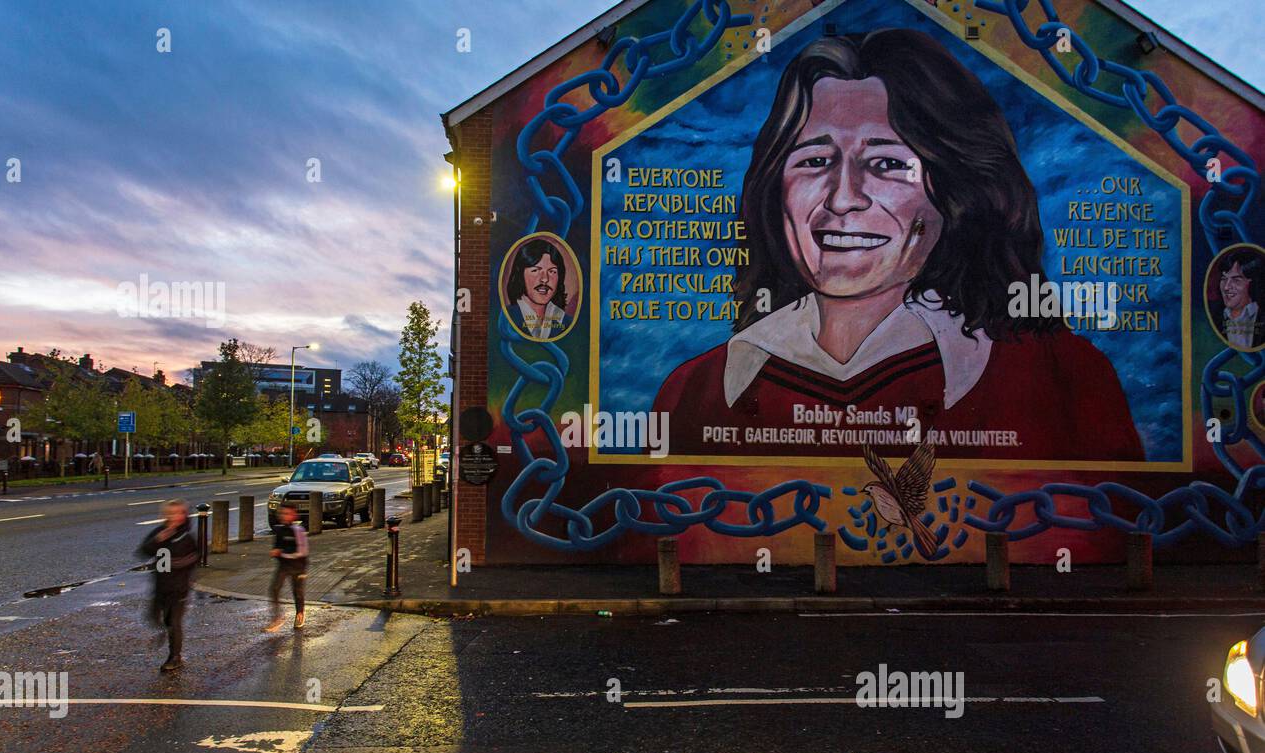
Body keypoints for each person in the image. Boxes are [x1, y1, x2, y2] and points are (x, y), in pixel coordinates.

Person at [652, 29, 1143, 462]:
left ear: (953, 189)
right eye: (814, 161)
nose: (843, 199)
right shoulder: (695, 392)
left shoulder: (1063, 381)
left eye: (886, 164)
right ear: (774, 189)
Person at [136, 499, 198, 672]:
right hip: (161, 586)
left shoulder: (186, 537)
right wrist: (157, 540)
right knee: (156, 618)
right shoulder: (159, 532)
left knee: (174, 622)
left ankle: (175, 656)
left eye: (178, 513)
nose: (174, 517)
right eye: (170, 514)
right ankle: (166, 634)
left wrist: (183, 571)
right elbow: (143, 552)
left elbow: (194, 559)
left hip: (179, 588)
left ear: (184, 515)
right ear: (164, 516)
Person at [505, 237, 573, 340]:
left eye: (552, 271)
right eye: (535, 270)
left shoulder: (566, 322)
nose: (545, 279)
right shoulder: (506, 318)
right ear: (520, 275)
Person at [266, 503, 309, 631]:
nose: (284, 516)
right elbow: (277, 545)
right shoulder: (279, 530)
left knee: (298, 592)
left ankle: (300, 614)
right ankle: (277, 618)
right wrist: (275, 551)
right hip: (283, 565)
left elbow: (302, 551)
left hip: (298, 565)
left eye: (287, 513)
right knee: (274, 589)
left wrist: (282, 553)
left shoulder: (298, 530)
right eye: (282, 513)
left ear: (294, 515)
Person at [1214, 249, 1265, 350]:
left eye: (1236, 280)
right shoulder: (1216, 317)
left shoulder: (1262, 316)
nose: (1226, 287)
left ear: (1252, 283)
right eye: (1224, 279)